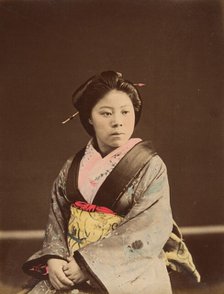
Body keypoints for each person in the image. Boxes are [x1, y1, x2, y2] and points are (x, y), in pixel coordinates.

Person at [21, 71, 200, 294]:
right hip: (70, 266)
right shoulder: (72, 165)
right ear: (89, 117)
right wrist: (55, 258)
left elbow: (148, 227)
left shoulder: (151, 167)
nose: (118, 122)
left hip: (126, 271)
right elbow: (57, 218)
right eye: (106, 113)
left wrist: (87, 265)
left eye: (125, 112)